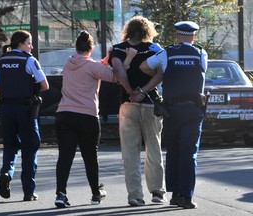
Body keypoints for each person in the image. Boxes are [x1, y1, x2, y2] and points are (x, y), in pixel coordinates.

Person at [54, 30, 136, 208]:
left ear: (76, 47)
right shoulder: (92, 67)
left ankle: (61, 194)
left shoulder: (68, 63)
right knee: (90, 157)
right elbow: (116, 77)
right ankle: (95, 194)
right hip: (86, 116)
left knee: (65, 157)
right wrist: (127, 59)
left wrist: (106, 58)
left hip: (64, 115)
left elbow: (93, 67)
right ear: (91, 48)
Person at [140, 21, 208, 209]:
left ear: (177, 35)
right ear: (193, 36)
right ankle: (186, 196)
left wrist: (162, 73)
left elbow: (144, 67)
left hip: (171, 111)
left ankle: (175, 194)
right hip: (193, 110)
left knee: (174, 151)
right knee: (189, 153)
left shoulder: (166, 53)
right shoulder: (201, 53)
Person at [109, 16, 166, 207]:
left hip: (127, 104)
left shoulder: (117, 49)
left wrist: (129, 91)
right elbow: (160, 74)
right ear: (147, 30)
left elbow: (118, 71)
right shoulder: (154, 49)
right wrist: (142, 91)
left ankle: (135, 196)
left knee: (130, 152)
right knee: (154, 148)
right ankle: (157, 192)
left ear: (128, 30)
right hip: (150, 103)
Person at [0, 30, 49, 201]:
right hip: (25, 109)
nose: (31, 46)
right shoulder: (29, 60)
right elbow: (44, 85)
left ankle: (6, 174)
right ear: (21, 43)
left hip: (6, 109)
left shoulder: (1, 60)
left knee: (10, 146)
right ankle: (28, 191)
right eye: (30, 42)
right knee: (30, 147)